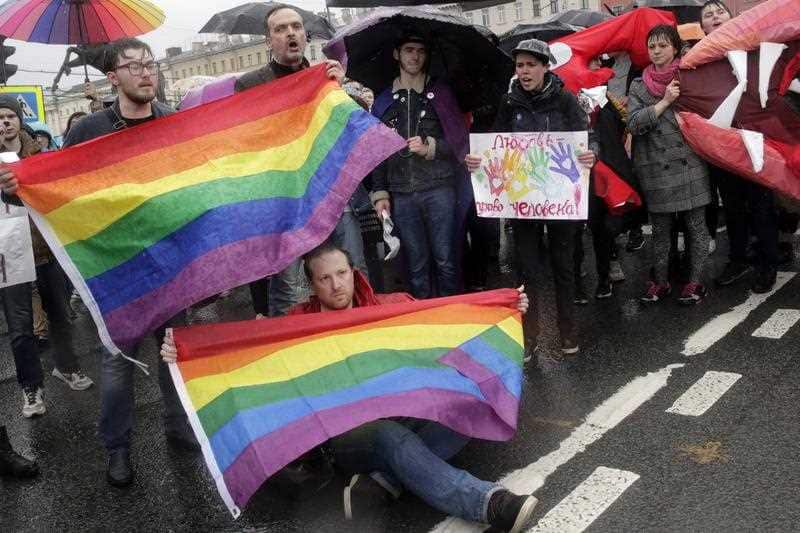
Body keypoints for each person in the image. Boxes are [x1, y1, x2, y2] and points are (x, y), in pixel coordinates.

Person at [162, 241, 537, 533]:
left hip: (406, 414)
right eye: (324, 278)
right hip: (346, 437)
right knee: (388, 437)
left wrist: (503, 307)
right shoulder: (295, 325)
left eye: (341, 273)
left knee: (466, 408)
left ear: (352, 272)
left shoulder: (387, 306)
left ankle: (381, 483)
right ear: (311, 285)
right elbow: (240, 360)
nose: (335, 284)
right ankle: (488, 503)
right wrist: (183, 352)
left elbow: (444, 324)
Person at [47, 38, 199, 488]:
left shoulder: (175, 121)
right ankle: (117, 448)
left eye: (149, 63)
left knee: (175, 354)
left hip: (170, 264)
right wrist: (14, 185)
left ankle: (180, 428)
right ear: (113, 78)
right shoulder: (90, 130)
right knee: (116, 366)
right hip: (116, 272)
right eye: (133, 66)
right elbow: (55, 183)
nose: (145, 72)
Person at [465, 39, 597, 356]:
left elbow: (587, 139)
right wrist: (478, 161)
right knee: (528, 269)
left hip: (560, 201)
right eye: (520, 65)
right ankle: (531, 336)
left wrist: (593, 155)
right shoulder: (509, 103)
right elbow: (496, 145)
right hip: (523, 202)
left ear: (545, 66)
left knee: (563, 266)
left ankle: (567, 333)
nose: (524, 71)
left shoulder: (565, 100)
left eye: (530, 65)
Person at [233, 5, 361, 317]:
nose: (291, 33)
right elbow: (246, 144)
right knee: (290, 290)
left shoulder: (327, 76)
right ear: (268, 41)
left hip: (330, 195)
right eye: (280, 29)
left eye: (296, 26)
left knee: (347, 279)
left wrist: (339, 90)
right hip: (284, 204)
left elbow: (351, 130)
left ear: (305, 35)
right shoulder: (250, 85)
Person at [0, 96, 94, 421]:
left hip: (45, 249)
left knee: (60, 315)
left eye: (10, 115)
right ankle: (31, 387)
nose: (5, 122)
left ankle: (67, 367)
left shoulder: (39, 154)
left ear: (19, 120)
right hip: (8, 257)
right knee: (21, 327)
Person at [370, 34, 463, 300]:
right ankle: (424, 321)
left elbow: (459, 144)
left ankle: (452, 315)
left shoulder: (441, 93)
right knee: (416, 263)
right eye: (409, 50)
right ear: (396, 54)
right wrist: (381, 194)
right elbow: (376, 152)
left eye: (421, 51)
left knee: (446, 258)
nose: (415, 56)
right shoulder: (383, 101)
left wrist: (431, 147)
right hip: (402, 194)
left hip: (439, 190)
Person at [698, 0, 780, 293]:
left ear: (731, 17)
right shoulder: (698, 59)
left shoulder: (751, 47)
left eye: (719, 11)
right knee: (732, 205)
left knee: (761, 203)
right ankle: (738, 257)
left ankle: (768, 262)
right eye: (708, 15)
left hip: (754, 138)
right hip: (719, 144)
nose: (715, 16)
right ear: (702, 27)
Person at [628, 25, 711, 304]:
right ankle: (661, 282)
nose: (656, 51)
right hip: (656, 166)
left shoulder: (689, 75)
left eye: (662, 45)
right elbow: (634, 123)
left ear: (675, 47)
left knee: (696, 226)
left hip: (690, 162)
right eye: (652, 46)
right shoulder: (639, 85)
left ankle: (695, 283)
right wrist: (664, 102)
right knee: (661, 230)